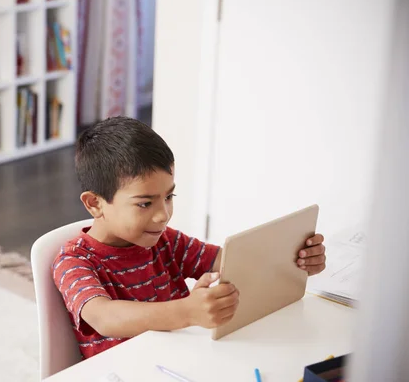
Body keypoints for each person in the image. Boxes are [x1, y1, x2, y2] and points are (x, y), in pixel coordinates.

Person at [52, 117, 326, 359]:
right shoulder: (73, 261)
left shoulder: (166, 241)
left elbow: (231, 260)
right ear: (95, 204)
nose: (163, 215)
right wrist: (188, 312)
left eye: (169, 197)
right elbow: (104, 317)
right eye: (145, 203)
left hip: (183, 361)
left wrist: (294, 258)